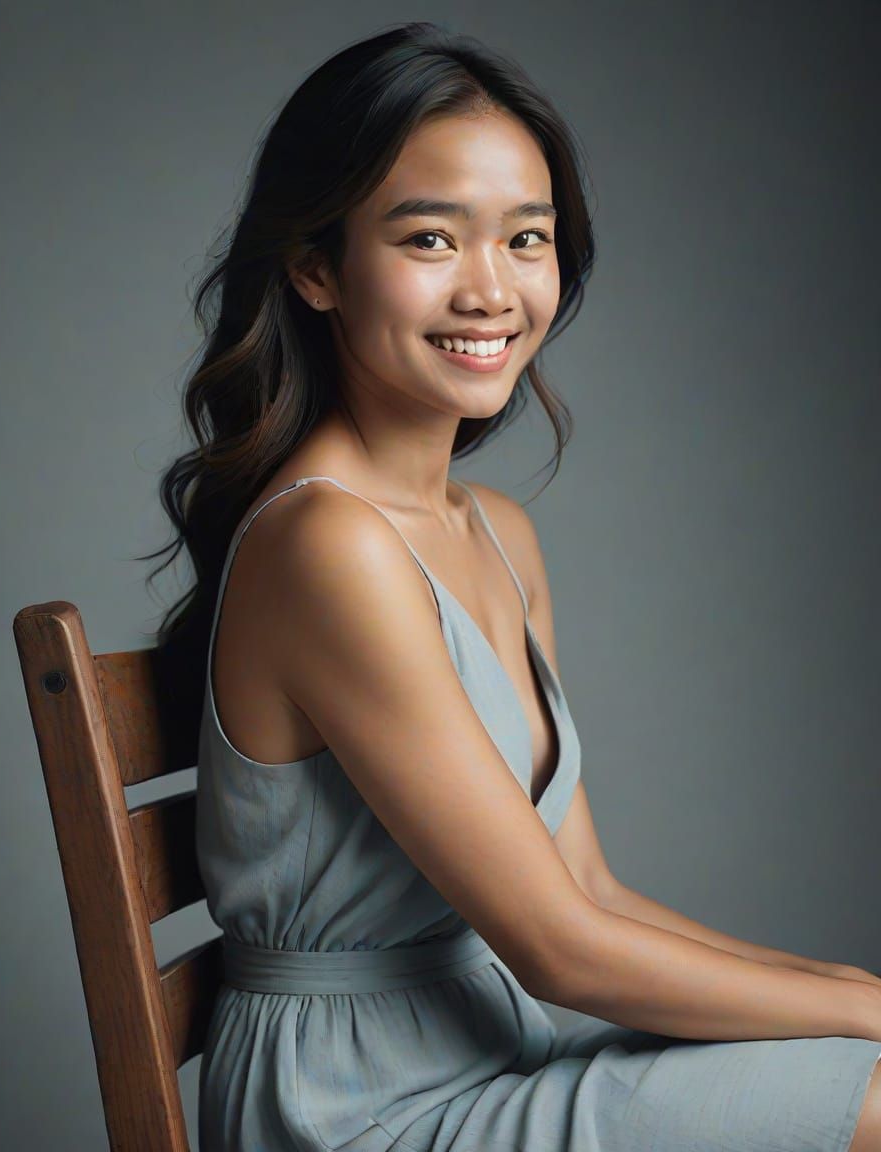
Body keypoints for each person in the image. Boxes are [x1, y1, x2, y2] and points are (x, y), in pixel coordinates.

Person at [142, 21, 881, 1152]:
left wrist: (847, 990)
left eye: (524, 238)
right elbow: (561, 949)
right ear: (314, 267)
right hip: (355, 1106)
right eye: (430, 238)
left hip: (496, 1042)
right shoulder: (325, 546)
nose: (489, 290)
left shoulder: (495, 531)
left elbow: (587, 889)